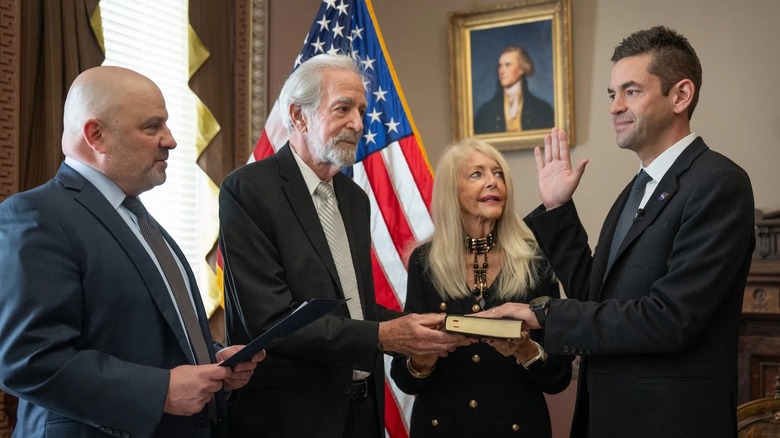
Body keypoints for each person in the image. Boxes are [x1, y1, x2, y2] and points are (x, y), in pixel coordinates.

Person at [483, 26, 755, 437]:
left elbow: (671, 318)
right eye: (612, 94)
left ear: (681, 95)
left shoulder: (719, 183)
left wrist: (543, 314)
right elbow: (595, 298)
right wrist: (557, 209)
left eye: (631, 91)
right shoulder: (638, 188)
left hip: (671, 424)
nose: (614, 107)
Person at [0, 66, 265, 438]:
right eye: (152, 127)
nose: (170, 140)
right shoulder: (36, 216)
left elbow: (139, 334)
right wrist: (159, 392)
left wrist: (213, 358)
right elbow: (27, 360)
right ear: (96, 135)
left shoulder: (140, 219)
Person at [218, 53, 471, 438]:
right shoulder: (249, 190)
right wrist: (385, 335)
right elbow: (271, 322)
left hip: (361, 411)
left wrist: (411, 327)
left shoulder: (354, 197)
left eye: (361, 110)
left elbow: (352, 309)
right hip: (290, 418)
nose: (357, 123)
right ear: (299, 116)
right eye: (343, 108)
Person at [389, 138, 572, 437]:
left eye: (498, 174)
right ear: (452, 192)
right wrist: (425, 354)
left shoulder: (536, 259)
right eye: (477, 174)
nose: (492, 182)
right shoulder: (424, 262)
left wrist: (525, 350)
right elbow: (406, 380)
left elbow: (559, 378)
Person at [474, 46, 554, 134]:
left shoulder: (542, 110)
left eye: (508, 65)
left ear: (521, 69)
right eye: (500, 66)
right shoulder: (485, 112)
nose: (502, 71)